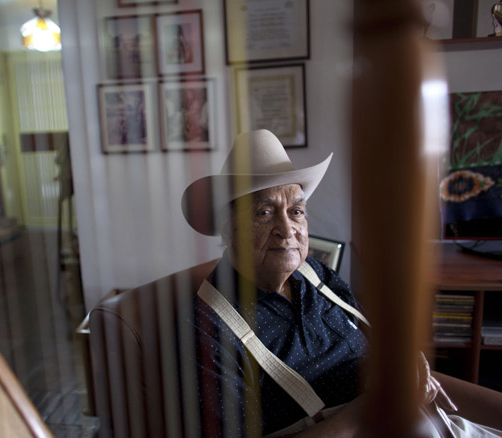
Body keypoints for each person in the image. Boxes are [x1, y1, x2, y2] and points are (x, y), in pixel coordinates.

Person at [181, 129, 502, 437]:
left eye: (296, 211)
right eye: (264, 212)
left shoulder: (317, 275)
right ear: (228, 227)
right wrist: (368, 409)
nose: (287, 229)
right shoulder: (207, 328)